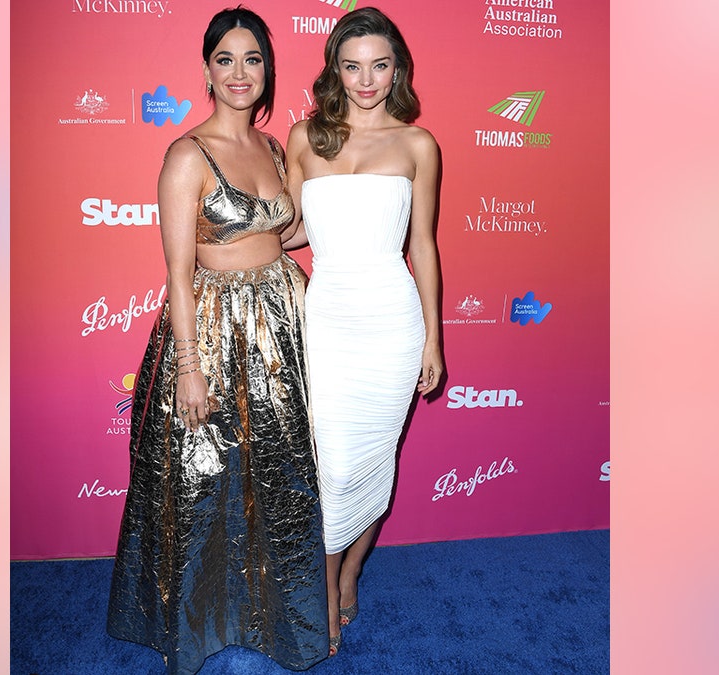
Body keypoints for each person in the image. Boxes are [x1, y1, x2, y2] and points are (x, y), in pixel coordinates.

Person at [106, 7, 329, 674]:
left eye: (252, 59)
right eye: (226, 59)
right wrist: (189, 370)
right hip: (210, 327)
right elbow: (177, 270)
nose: (239, 72)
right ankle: (199, 623)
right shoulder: (186, 156)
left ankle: (276, 617)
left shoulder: (272, 148)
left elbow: (283, 231)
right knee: (203, 483)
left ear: (268, 71)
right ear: (207, 69)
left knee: (283, 478)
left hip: (283, 322)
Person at [284, 6, 443, 655]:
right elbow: (296, 230)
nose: (366, 78)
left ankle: (350, 572)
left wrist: (434, 337)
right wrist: (234, 240)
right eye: (353, 66)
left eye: (379, 65)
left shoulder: (417, 145)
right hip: (326, 321)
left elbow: (424, 246)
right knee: (332, 466)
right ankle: (324, 590)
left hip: (392, 324)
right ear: (334, 71)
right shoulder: (304, 137)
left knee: (375, 461)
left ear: (396, 68)